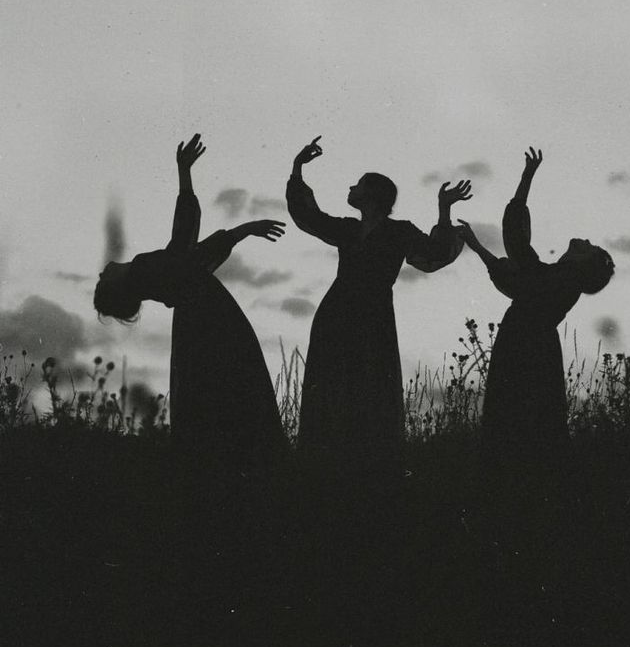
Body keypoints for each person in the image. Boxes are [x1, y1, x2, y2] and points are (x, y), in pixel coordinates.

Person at [94, 134, 286, 465]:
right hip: (210, 316)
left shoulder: (150, 275)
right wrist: (185, 173)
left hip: (201, 319)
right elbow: (186, 244)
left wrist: (242, 230)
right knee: (227, 386)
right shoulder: (146, 271)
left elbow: (193, 254)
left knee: (213, 391)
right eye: (101, 281)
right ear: (116, 287)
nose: (100, 273)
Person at [286, 136, 470, 477]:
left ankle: (368, 465)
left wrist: (444, 209)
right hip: (336, 314)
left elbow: (435, 253)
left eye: (358, 184)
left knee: (369, 387)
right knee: (331, 385)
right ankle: (326, 462)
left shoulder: (399, 232)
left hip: (372, 318)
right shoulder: (348, 229)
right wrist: (297, 168)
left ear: (370, 196)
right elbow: (308, 215)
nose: (351, 187)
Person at [459, 147, 614, 461]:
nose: (585, 240)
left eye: (590, 248)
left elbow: (517, 252)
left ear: (585, 264)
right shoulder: (557, 277)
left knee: (518, 429)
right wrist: (476, 245)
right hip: (526, 348)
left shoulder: (564, 280)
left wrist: (526, 178)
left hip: (525, 351)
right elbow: (514, 276)